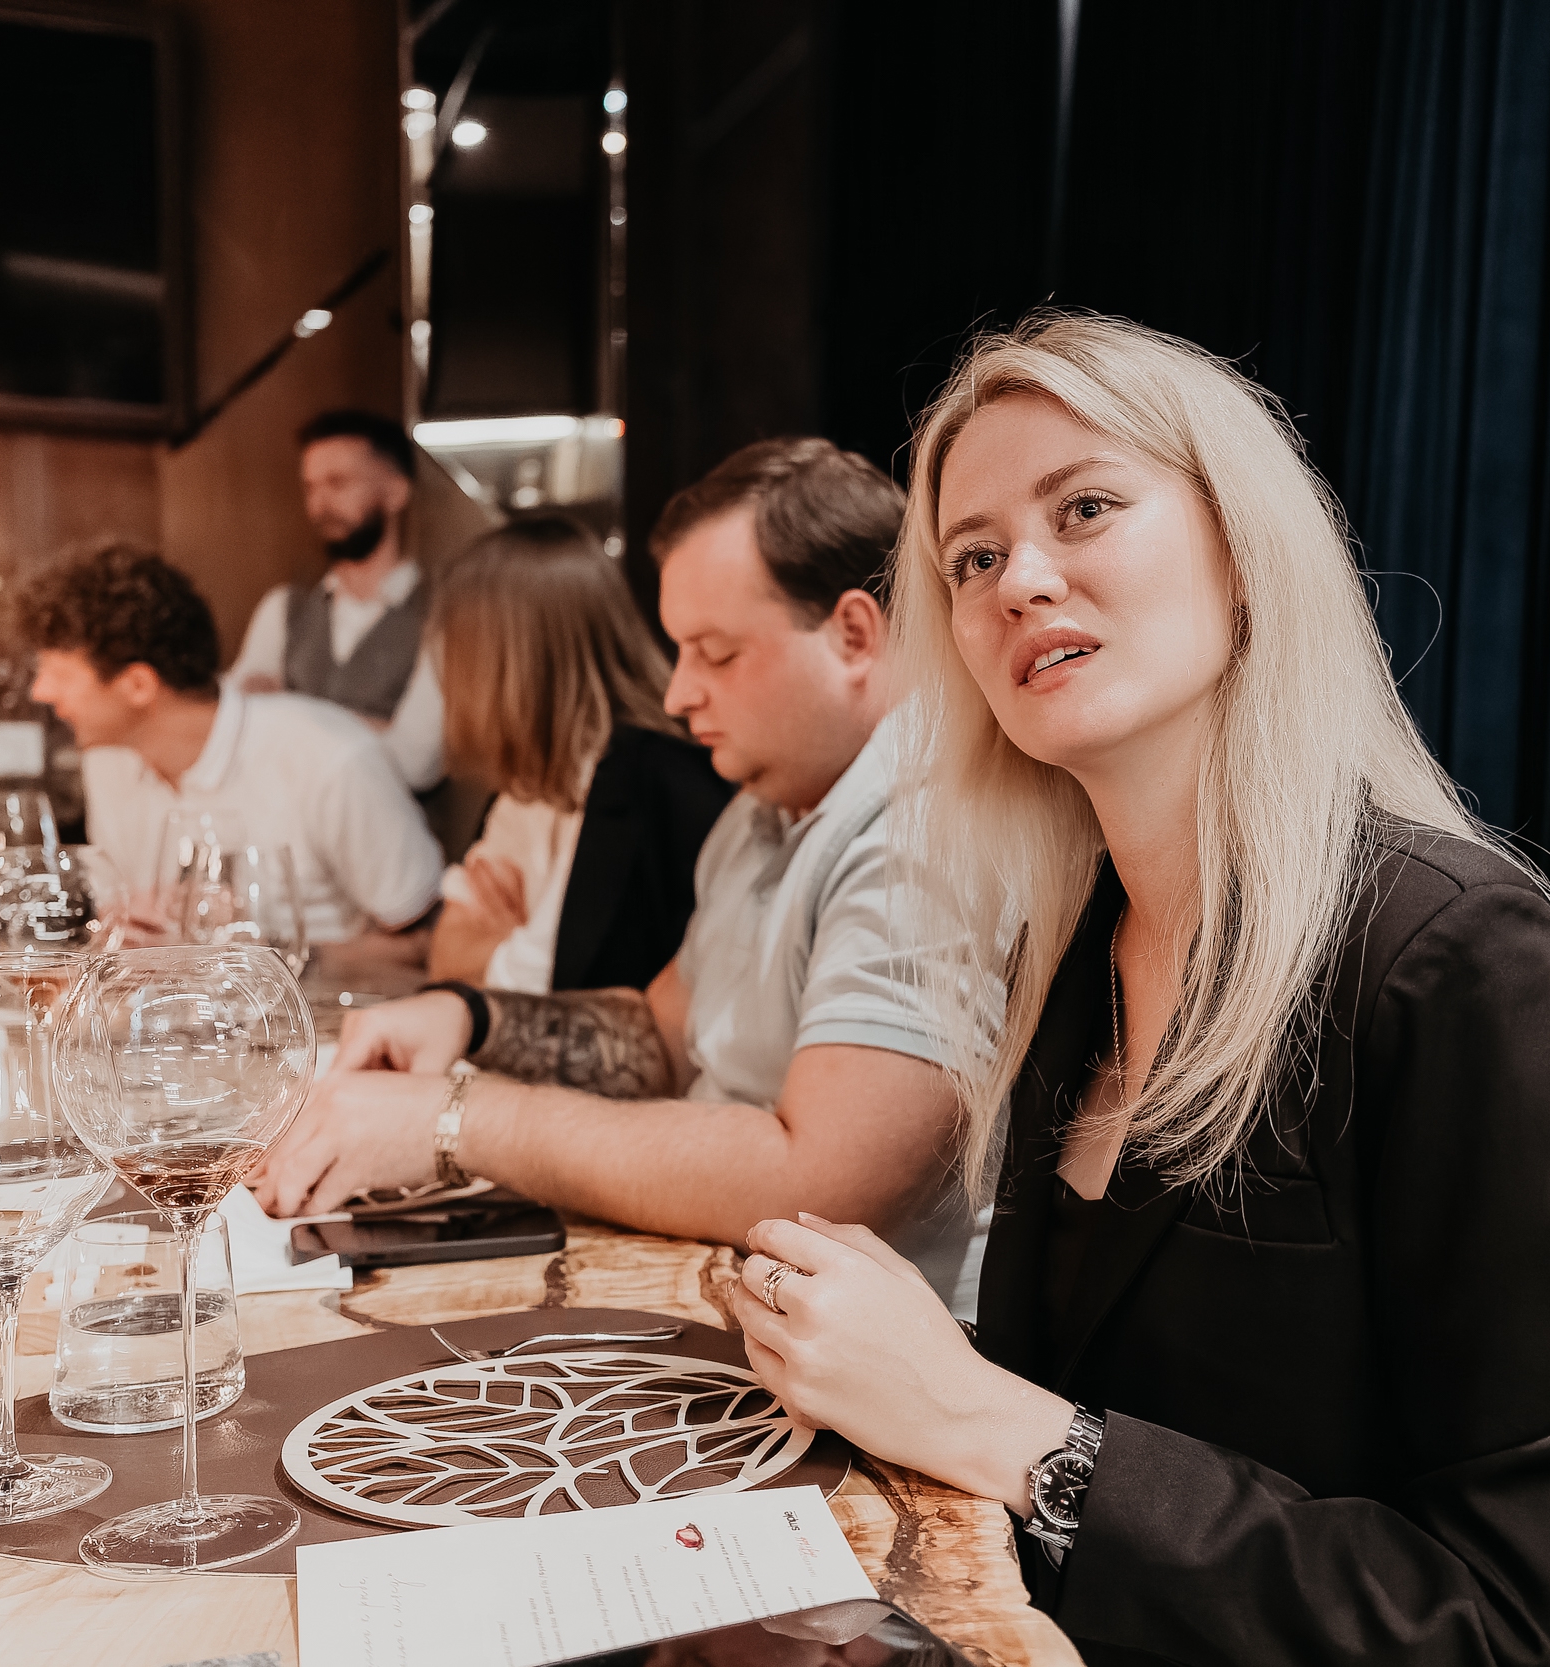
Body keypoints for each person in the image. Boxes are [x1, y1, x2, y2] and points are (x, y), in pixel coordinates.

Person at [722, 316, 1550, 1666]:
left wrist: (988, 1417)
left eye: (1085, 508)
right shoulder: (1079, 953)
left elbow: (1525, 1624)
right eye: (972, 557)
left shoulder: (1459, 959)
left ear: (1244, 550)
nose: (1019, 580)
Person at [252, 438, 992, 1302]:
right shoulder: (765, 809)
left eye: (715, 652)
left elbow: (820, 1183)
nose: (678, 694)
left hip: (872, 1353)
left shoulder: (926, 824)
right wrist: (470, 1019)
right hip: (730, 1293)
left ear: (854, 635)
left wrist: (453, 1118)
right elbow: (661, 1033)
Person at [18, 543, 443, 961]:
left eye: (60, 675)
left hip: (321, 1006)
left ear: (139, 686)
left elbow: (428, 944)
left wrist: (267, 955)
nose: (41, 692)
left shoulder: (329, 756)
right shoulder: (108, 760)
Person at [421, 517, 734, 994]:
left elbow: (569, 991)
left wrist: (500, 943)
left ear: (506, 664)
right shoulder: (527, 786)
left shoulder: (658, 786)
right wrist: (509, 951)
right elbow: (445, 963)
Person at [225, 409, 444, 790]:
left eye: (338, 483)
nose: (319, 505)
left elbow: (414, 763)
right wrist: (374, 727)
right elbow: (233, 727)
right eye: (310, 487)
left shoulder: (442, 617)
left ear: (396, 492)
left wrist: (285, 707)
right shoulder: (282, 607)